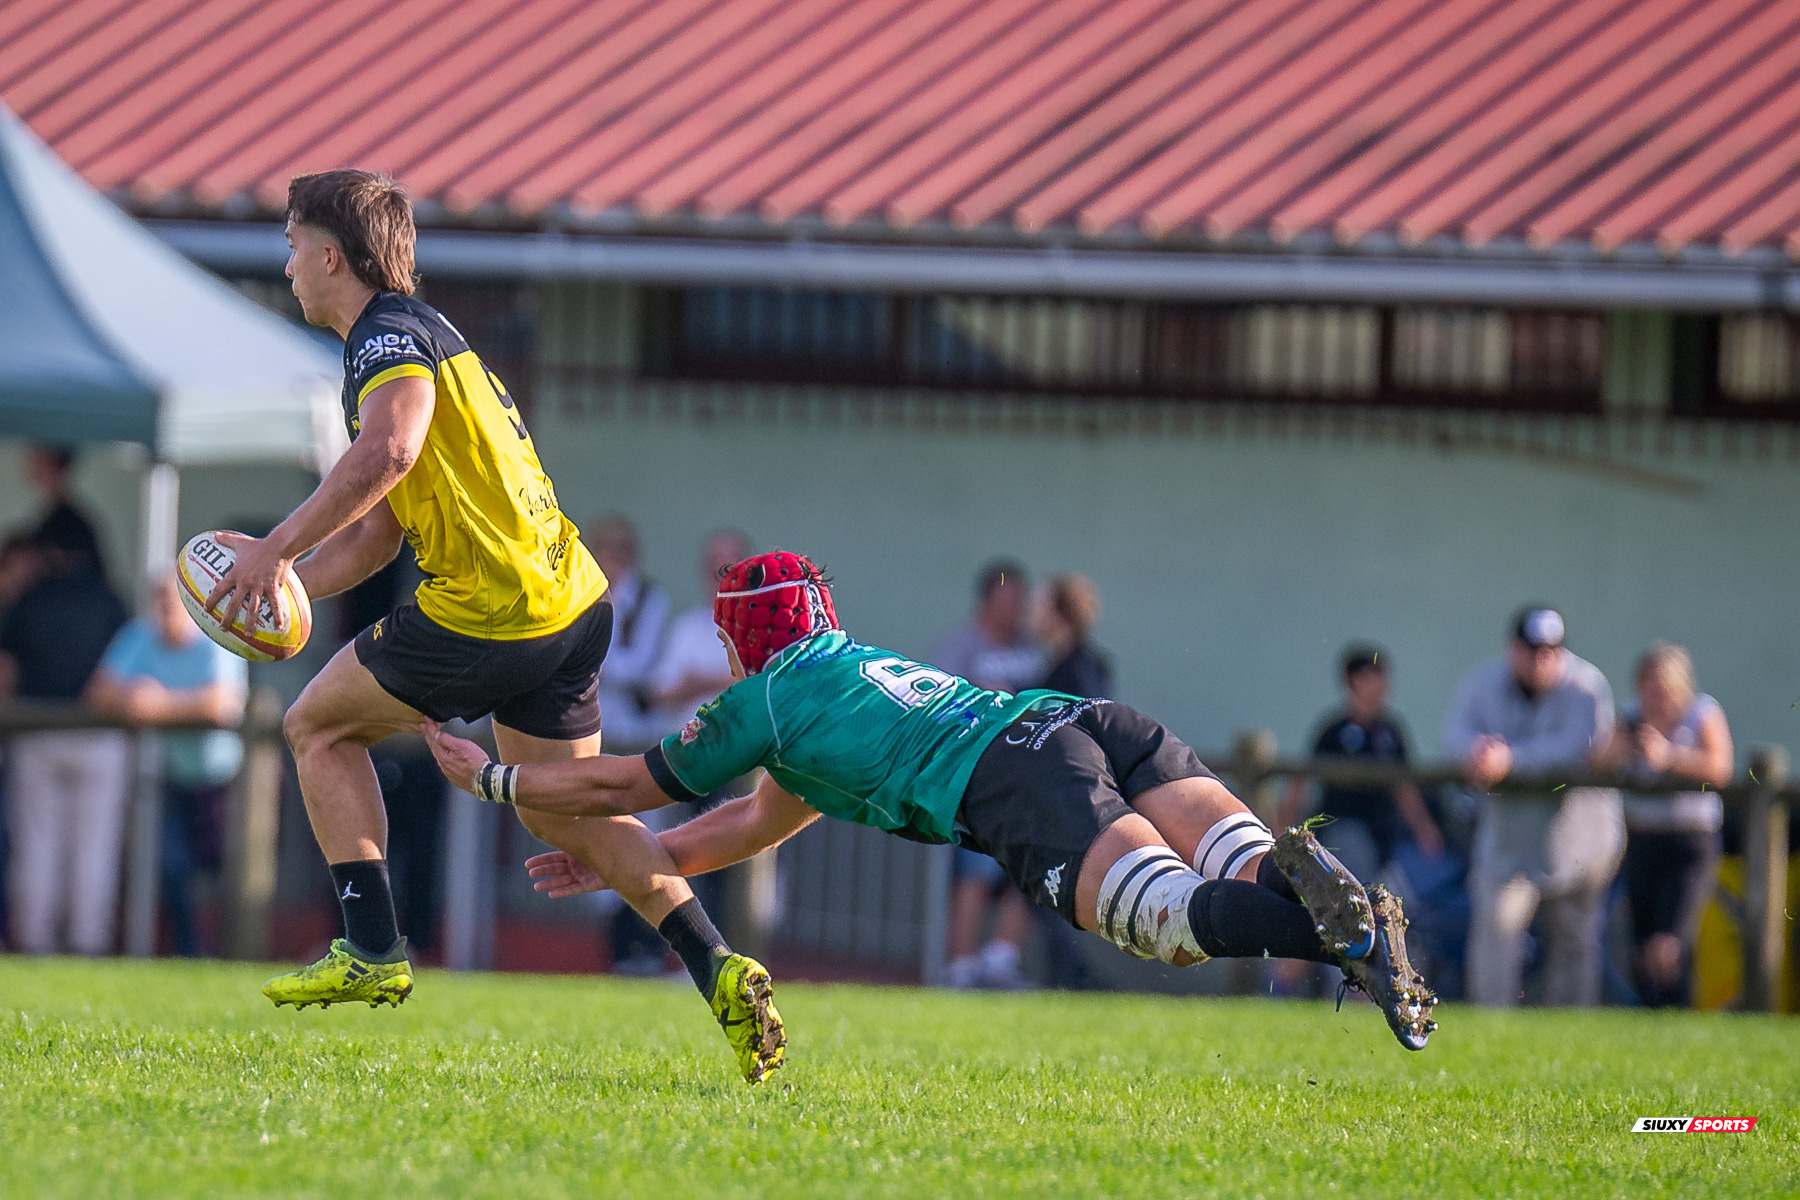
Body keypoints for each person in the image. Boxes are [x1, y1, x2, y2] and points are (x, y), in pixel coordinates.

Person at [203, 169, 780, 1084]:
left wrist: (269, 549)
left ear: (328, 254)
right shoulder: (428, 339)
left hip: (490, 611)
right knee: (571, 814)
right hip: (572, 604)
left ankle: (371, 942)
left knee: (315, 726)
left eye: (289, 245)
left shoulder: (382, 338)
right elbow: (384, 522)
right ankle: (720, 965)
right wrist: (287, 585)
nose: (286, 267)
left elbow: (386, 451)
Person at [424, 552, 1438, 1052]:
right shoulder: (843, 677)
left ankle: (1340, 937)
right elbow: (747, 822)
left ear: (745, 641)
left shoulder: (766, 696)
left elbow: (627, 777)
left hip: (1011, 780)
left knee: (1169, 924)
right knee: (1241, 862)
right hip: (1081, 718)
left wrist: (498, 779)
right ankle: (1356, 921)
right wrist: (627, 859)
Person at [1444, 607, 1620, 1008]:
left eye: (1551, 651)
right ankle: (1491, 1031)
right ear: (1513, 649)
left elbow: (1579, 747)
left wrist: (1508, 761)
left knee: (1575, 943)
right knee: (1496, 932)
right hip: (1509, 844)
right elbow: (1453, 733)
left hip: (1579, 845)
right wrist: (1476, 752)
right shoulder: (1483, 681)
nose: (1542, 659)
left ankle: (1571, 1038)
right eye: (1532, 650)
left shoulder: (1587, 685)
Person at [87, 574, 247, 956]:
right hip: (173, 777)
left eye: (173, 601)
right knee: (172, 868)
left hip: (226, 781)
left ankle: (235, 954)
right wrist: (132, 696)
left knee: (230, 874)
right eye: (159, 601)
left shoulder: (216, 638)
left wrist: (158, 705)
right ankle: (190, 951)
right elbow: (99, 692)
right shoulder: (141, 635)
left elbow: (222, 704)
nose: (165, 610)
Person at [0, 537, 129, 955]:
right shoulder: (110, 601)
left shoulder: (29, 600)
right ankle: (87, 943)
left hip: (37, 731)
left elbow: (7, 672)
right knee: (95, 847)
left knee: (36, 847)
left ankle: (34, 941)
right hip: (99, 734)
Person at [932, 560, 1046, 989]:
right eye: (1009, 598)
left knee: (1031, 866)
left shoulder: (1032, 650)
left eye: (1022, 598)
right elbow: (934, 707)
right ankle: (961, 965)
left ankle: (1000, 959)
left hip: (1026, 781)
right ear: (987, 600)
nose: (1017, 608)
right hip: (975, 779)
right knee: (976, 870)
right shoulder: (960, 647)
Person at [1599, 643, 1732, 1007]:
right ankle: (1651, 1018)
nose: (1655, 694)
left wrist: (1670, 757)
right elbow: (1596, 763)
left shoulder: (1702, 713)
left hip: (1690, 841)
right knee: (1643, 944)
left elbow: (1720, 769)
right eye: (1648, 685)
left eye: (1663, 685)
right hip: (1642, 838)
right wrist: (1623, 749)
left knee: (1669, 944)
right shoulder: (1630, 719)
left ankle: (1679, 1012)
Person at [1279, 645, 1444, 879]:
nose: (1378, 685)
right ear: (1351, 682)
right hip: (1343, 832)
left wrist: (1424, 830)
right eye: (1369, 677)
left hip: (1384, 835)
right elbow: (1300, 784)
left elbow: (1404, 788)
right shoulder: (1333, 733)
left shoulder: (1391, 731)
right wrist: (1283, 830)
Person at [587, 516, 670, 754]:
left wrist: (590, 665)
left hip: (633, 724)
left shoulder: (650, 598)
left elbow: (637, 666)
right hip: (591, 718)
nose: (614, 556)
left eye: (621, 548)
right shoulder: (586, 595)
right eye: (606, 548)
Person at [25, 445, 106, 582]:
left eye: (38, 460)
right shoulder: (53, 516)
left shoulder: (72, 525)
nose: (31, 467)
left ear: (53, 466)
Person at [1037, 574, 1111, 699]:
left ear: (1058, 616)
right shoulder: (1060, 663)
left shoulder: (1079, 673)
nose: (1028, 611)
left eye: (1039, 605)